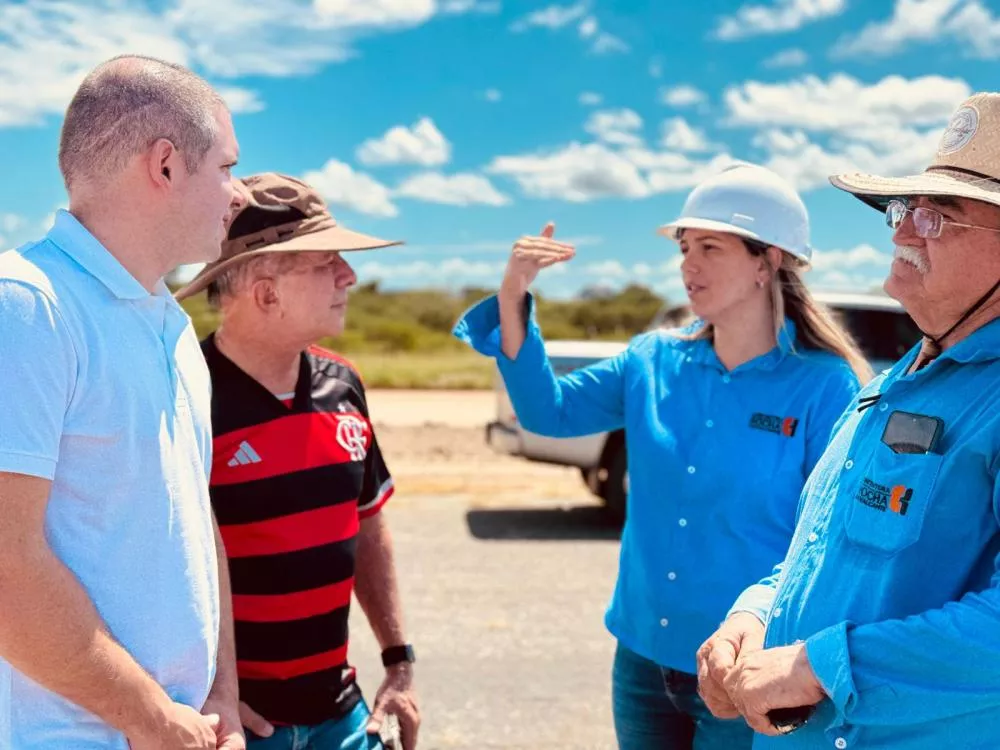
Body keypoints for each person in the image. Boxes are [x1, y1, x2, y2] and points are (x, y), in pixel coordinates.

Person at [452, 163, 868, 749]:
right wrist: (513, 295)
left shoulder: (824, 386)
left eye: (710, 247)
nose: (688, 264)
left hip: (745, 669)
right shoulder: (651, 360)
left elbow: (824, 540)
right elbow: (549, 413)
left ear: (768, 261)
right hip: (642, 660)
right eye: (684, 247)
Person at [698, 92, 1000, 749]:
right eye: (904, 210)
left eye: (936, 217)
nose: (902, 232)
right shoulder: (892, 384)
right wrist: (754, 616)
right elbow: (822, 552)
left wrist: (819, 666)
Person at [0, 56, 246, 748]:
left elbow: (196, 525)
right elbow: (5, 564)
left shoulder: (172, 326)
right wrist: (154, 718)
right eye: (227, 168)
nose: (239, 193)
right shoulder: (27, 306)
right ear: (165, 165)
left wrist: (220, 697)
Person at [174, 172, 420, 750]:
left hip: (342, 716)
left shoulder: (344, 383)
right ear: (266, 294)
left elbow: (367, 523)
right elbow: (156, 566)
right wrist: (216, 697)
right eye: (327, 262)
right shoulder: (185, 395)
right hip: (236, 727)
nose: (349, 275)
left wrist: (398, 663)